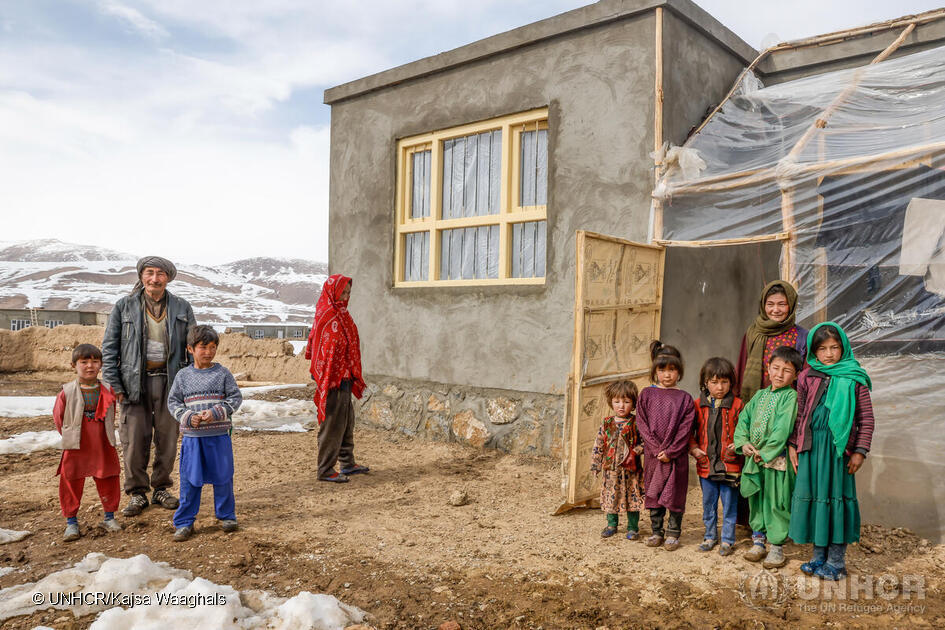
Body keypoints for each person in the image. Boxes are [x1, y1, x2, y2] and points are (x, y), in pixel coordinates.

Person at [101, 256, 196, 516]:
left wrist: (191, 384)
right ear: (142, 276)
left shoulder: (181, 306)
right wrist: (115, 384)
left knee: (167, 439)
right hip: (134, 383)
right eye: (150, 273)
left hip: (171, 383)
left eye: (160, 274)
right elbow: (109, 349)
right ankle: (137, 493)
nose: (154, 279)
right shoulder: (124, 306)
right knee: (134, 440)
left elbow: (192, 348)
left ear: (168, 278)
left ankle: (161, 488)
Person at [788, 323, 874, 581]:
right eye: (822, 348)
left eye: (834, 347)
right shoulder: (806, 376)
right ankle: (818, 557)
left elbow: (866, 419)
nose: (828, 353)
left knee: (835, 499)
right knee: (815, 500)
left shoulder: (854, 376)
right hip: (812, 449)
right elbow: (801, 414)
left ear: (843, 347)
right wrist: (794, 444)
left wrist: (859, 450)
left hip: (839, 452)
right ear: (814, 351)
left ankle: (836, 561)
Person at [167, 325, 242, 542]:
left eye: (212, 347)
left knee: (223, 477)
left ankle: (227, 516)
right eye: (203, 347)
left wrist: (218, 411)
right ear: (190, 349)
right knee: (190, 479)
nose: (208, 352)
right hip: (193, 439)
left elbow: (235, 398)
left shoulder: (222, 373)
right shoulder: (183, 376)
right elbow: (173, 402)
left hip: (219, 437)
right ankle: (184, 522)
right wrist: (188, 416)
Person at [733, 346, 802, 569]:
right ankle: (758, 542)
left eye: (787, 370)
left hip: (776, 461)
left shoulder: (791, 397)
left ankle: (777, 548)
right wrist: (743, 443)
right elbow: (743, 420)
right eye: (776, 368)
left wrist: (765, 452)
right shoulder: (759, 395)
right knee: (757, 499)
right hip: (755, 459)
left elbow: (783, 429)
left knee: (776, 502)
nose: (780, 374)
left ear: (796, 374)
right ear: (768, 368)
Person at [53, 344, 122, 542]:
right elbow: (59, 418)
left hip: (102, 441)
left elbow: (111, 413)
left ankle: (109, 517)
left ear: (101, 364)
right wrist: (71, 435)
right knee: (71, 479)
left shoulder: (107, 389)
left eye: (94, 361)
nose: (90, 366)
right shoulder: (66, 392)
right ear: (73, 365)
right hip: (77, 444)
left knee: (108, 477)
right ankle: (71, 522)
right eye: (84, 362)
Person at [305, 274, 367, 483]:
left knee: (347, 421)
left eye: (349, 292)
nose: (347, 296)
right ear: (333, 291)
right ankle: (325, 469)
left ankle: (347, 463)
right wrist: (329, 376)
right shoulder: (327, 316)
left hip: (345, 377)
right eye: (344, 291)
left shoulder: (343, 315)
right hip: (331, 380)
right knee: (332, 425)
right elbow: (321, 350)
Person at [635, 341, 696, 551]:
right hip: (653, 456)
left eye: (672, 369)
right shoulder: (646, 395)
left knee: (675, 492)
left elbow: (685, 429)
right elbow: (641, 423)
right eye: (662, 369)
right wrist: (654, 449)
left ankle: (673, 533)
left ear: (679, 371)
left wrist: (670, 452)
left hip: (675, 457)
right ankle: (656, 531)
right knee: (654, 491)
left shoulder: (685, 399)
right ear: (655, 370)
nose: (667, 374)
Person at [689, 357, 744, 556]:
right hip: (706, 464)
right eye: (714, 382)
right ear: (705, 383)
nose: (719, 387)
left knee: (729, 505)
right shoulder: (698, 405)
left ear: (731, 382)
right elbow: (689, 433)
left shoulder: (738, 405)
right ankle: (710, 536)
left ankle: (728, 540)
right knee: (708, 503)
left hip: (730, 465)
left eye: (724, 382)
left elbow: (744, 432)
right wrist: (694, 450)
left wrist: (737, 446)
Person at [736, 281, 808, 403]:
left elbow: (806, 377)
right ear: (763, 306)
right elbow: (742, 369)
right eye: (770, 304)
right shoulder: (753, 333)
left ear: (791, 305)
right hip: (756, 403)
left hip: (787, 405)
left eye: (782, 304)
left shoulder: (802, 336)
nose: (775, 310)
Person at [590, 380, 644, 540]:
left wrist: (636, 451)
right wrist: (595, 465)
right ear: (611, 402)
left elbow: (646, 442)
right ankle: (611, 524)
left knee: (632, 497)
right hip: (611, 471)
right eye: (617, 401)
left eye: (626, 402)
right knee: (611, 496)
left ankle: (633, 528)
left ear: (633, 404)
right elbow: (598, 444)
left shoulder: (637, 423)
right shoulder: (606, 424)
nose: (621, 405)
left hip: (631, 471)